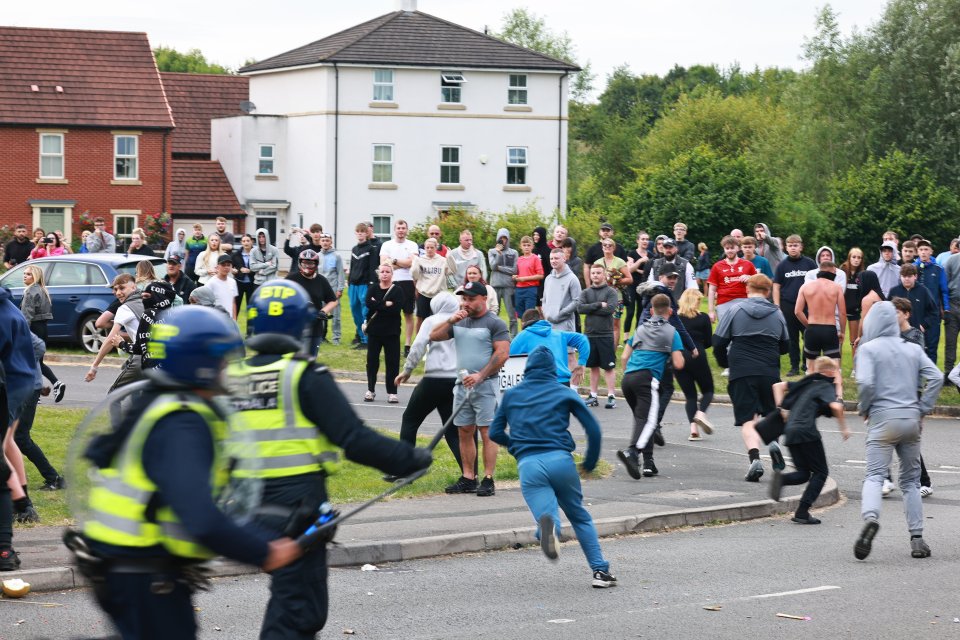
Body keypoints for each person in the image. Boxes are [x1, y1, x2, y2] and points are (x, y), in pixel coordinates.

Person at [74, 305, 304, 639]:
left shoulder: (162, 402)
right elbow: (200, 517)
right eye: (224, 358)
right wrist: (266, 552)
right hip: (144, 573)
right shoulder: (182, 422)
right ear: (202, 362)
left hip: (129, 566)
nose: (230, 368)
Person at [225, 281, 432, 638]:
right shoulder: (302, 374)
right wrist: (409, 458)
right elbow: (353, 438)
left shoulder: (233, 377)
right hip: (295, 509)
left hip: (245, 507)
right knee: (298, 614)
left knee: (293, 606)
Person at [488, 345, 617, 589]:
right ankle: (600, 571)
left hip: (529, 465)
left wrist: (515, 446)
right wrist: (589, 462)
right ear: (552, 369)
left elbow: (495, 432)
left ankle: (549, 530)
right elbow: (593, 429)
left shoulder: (512, 395)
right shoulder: (564, 392)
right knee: (579, 515)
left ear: (528, 368)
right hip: (561, 461)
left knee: (547, 516)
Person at [853, 301, 942, 561]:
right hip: (911, 419)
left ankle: (871, 518)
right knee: (912, 482)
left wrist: (864, 408)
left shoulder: (868, 349)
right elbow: (936, 376)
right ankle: (917, 539)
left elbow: (867, 382)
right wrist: (923, 407)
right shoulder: (912, 348)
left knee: (874, 476)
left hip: (882, 419)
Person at [430, 281, 510, 497]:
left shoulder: (495, 323)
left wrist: (481, 375)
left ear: (483, 299)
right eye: (464, 298)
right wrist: (450, 320)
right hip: (462, 384)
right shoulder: (459, 321)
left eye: (471, 299)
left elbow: (502, 354)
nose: (466, 303)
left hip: (486, 385)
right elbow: (434, 336)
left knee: (487, 431)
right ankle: (468, 477)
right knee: (464, 430)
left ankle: (488, 478)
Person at [713, 274, 789, 482]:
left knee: (747, 418)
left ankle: (754, 458)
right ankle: (772, 441)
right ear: (767, 291)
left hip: (742, 369)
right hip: (768, 370)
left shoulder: (735, 310)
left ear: (748, 290)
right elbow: (785, 346)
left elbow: (719, 341)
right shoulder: (777, 313)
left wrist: (725, 362)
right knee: (769, 412)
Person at [769, 356, 851, 523]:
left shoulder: (805, 383)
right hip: (807, 432)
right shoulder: (824, 385)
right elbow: (836, 406)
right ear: (829, 371)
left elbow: (777, 386)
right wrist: (844, 427)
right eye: (836, 371)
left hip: (790, 432)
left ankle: (782, 480)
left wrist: (781, 409)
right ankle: (802, 511)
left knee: (804, 473)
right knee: (821, 472)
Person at [394, 293, 466, 472]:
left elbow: (418, 346)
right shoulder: (462, 321)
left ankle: (406, 468)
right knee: (451, 430)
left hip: (434, 377)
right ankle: (469, 473)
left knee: (410, 419)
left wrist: (407, 370)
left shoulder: (431, 321)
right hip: (455, 378)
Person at [617, 293, 685, 479]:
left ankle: (648, 462)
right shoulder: (671, 332)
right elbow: (679, 363)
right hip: (647, 379)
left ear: (652, 310)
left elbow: (624, 357)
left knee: (643, 419)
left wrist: (629, 371)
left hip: (628, 379)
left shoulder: (640, 329)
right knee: (649, 421)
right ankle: (632, 452)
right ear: (670, 311)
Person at [0, 285, 37, 570]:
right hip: (21, 380)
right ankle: (22, 502)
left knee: (3, 447)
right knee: (8, 440)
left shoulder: (4, 315)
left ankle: (20, 503)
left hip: (12, 384)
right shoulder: (8, 307)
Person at [15, 333, 64, 491]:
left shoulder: (11, 318)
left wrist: (24, 370)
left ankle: (54, 478)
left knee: (20, 437)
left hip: (26, 389)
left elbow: (39, 346)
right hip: (14, 388)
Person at [84, 274, 144, 392]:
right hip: (158, 355)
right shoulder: (145, 300)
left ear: (133, 287)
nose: (118, 293)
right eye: (115, 289)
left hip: (142, 357)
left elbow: (110, 340)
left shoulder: (125, 308)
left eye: (122, 288)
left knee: (114, 395)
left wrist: (94, 367)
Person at [794, 261, 846, 396]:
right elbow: (842, 313)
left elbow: (797, 311)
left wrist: (809, 325)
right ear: (832, 272)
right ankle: (838, 396)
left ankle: (809, 395)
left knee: (811, 368)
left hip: (812, 329)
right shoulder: (836, 287)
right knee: (834, 367)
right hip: (830, 329)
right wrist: (842, 332)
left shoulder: (806, 287)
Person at [773, 235, 818, 377]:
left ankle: (806, 364)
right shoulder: (782, 265)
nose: (793, 248)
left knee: (808, 336)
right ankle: (794, 367)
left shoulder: (810, 264)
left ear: (801, 246)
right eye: (790, 245)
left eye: (796, 245)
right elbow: (776, 287)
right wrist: (777, 306)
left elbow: (818, 283)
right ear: (786, 247)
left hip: (807, 306)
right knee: (792, 338)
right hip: (788, 305)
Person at [19, 265, 65, 402]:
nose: (25, 276)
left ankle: (36, 393)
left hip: (32, 328)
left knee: (30, 362)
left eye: (28, 274)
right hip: (43, 328)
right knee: (37, 361)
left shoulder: (30, 292)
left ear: (36, 276)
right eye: (24, 273)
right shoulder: (43, 290)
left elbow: (26, 316)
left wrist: (21, 334)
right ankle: (55, 384)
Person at [510, 309, 589, 388]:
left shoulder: (522, 337)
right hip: (562, 383)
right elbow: (582, 339)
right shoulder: (559, 334)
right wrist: (582, 364)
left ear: (523, 324)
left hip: (538, 384)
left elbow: (509, 360)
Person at [676, 289, 714, 441]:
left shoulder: (675, 318)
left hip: (678, 357)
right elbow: (709, 342)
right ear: (694, 301)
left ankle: (693, 430)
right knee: (708, 390)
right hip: (697, 355)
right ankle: (701, 414)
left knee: (690, 396)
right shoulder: (703, 318)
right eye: (699, 300)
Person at [579, 264, 619, 408]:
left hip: (605, 334)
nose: (595, 275)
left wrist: (591, 308)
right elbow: (580, 308)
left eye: (598, 273)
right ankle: (593, 396)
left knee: (608, 367)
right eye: (593, 273)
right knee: (593, 366)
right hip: (590, 334)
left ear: (604, 275)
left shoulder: (611, 292)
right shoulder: (586, 292)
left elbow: (610, 309)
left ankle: (611, 396)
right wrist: (598, 305)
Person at [379, 220, 420, 356]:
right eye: (398, 228)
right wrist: (403, 263)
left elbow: (412, 263)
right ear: (394, 230)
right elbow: (384, 264)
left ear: (407, 230)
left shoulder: (412, 245)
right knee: (390, 312)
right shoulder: (387, 245)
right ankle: (391, 340)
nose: (401, 230)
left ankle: (407, 345)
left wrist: (394, 261)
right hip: (392, 282)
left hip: (408, 282)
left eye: (403, 228)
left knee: (408, 314)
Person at [365, 264, 405, 403]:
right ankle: (370, 389)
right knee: (372, 361)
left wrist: (378, 304)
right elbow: (368, 303)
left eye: (387, 271)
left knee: (392, 362)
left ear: (392, 274)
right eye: (382, 272)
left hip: (392, 332)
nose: (385, 274)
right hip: (374, 331)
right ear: (378, 274)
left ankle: (392, 392)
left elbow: (396, 309)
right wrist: (385, 304)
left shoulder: (397, 290)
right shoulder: (373, 288)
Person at [287, 249, 338, 355]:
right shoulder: (291, 279)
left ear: (316, 264)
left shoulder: (321, 280)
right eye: (304, 262)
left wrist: (323, 311)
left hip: (315, 326)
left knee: (311, 358)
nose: (307, 266)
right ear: (300, 263)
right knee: (294, 359)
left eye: (310, 263)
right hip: (295, 326)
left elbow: (333, 301)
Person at [117, 280, 176, 371]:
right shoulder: (175, 315)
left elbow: (139, 348)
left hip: (153, 372)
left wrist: (121, 344)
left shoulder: (149, 314)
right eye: (143, 297)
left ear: (159, 296)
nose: (143, 300)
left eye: (147, 296)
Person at [888, 264, 938, 362]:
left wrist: (924, 325)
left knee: (915, 360)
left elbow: (934, 311)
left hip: (916, 334)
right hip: (897, 333)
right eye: (904, 276)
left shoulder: (924, 291)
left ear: (915, 276)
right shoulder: (894, 291)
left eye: (909, 276)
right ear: (900, 276)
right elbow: (888, 311)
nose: (906, 279)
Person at [915, 239, 948, 364]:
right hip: (917, 312)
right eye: (921, 250)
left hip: (933, 313)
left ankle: (932, 378)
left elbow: (943, 290)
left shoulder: (938, 269)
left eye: (926, 249)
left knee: (932, 345)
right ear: (917, 251)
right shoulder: (913, 268)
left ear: (931, 251)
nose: (923, 252)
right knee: (916, 345)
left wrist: (946, 308)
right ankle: (916, 377)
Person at [595, 238, 632, 346]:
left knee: (615, 325)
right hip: (600, 297)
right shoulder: (597, 262)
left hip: (616, 297)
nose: (607, 247)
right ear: (602, 247)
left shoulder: (619, 262)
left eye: (610, 245)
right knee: (601, 324)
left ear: (614, 248)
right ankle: (602, 349)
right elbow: (593, 278)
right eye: (605, 245)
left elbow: (629, 279)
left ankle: (612, 352)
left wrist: (616, 280)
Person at [349, 222, 380, 349]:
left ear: (367, 233)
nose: (360, 233)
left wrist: (371, 285)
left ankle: (367, 340)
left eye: (363, 231)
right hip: (353, 285)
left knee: (365, 312)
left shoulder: (371, 249)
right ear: (356, 233)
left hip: (365, 285)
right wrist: (350, 281)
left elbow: (373, 268)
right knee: (355, 312)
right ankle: (361, 337)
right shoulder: (354, 249)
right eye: (358, 231)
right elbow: (352, 267)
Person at [412, 238, 454, 331]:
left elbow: (452, 271)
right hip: (424, 294)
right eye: (427, 247)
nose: (429, 249)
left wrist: (450, 258)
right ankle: (420, 340)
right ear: (425, 248)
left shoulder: (442, 260)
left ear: (436, 248)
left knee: (438, 319)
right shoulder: (420, 260)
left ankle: (436, 340)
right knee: (422, 319)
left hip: (438, 295)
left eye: (432, 247)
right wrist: (415, 263)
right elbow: (415, 275)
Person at [315, 233, 345, 345]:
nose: (325, 242)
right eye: (323, 240)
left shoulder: (336, 256)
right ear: (320, 242)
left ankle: (336, 338)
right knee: (321, 314)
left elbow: (340, 273)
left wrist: (340, 289)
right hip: (321, 290)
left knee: (336, 316)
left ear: (331, 242)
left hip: (333, 289)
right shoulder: (317, 256)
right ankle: (320, 336)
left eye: (327, 240)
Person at [542, 248, 582, 332]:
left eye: (556, 258)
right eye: (551, 258)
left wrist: (560, 314)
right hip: (549, 324)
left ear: (564, 259)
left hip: (565, 325)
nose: (553, 261)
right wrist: (546, 314)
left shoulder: (572, 278)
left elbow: (577, 301)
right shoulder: (548, 279)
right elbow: (544, 300)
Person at [488, 228, 518, 336]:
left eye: (505, 238)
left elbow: (514, 270)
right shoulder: (492, 251)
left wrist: (499, 268)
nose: (503, 240)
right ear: (497, 238)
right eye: (501, 238)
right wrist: (498, 254)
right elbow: (492, 266)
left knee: (512, 315)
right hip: (495, 285)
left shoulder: (514, 252)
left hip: (508, 286)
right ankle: (494, 336)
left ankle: (514, 337)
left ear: (508, 239)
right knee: (494, 313)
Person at [624, 231, 654, 333]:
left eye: (647, 239)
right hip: (632, 286)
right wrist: (640, 261)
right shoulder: (631, 253)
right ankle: (626, 336)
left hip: (644, 287)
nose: (645, 241)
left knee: (641, 312)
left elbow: (650, 271)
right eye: (643, 239)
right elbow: (629, 270)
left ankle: (638, 334)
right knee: (630, 312)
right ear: (638, 241)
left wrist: (639, 270)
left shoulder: (651, 255)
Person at [840, 248, 866, 361]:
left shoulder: (863, 274)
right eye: (854, 257)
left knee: (854, 340)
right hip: (841, 311)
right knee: (839, 339)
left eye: (859, 257)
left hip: (855, 312)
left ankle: (855, 367)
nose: (856, 260)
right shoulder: (842, 271)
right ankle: (837, 367)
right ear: (849, 258)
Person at [513, 235, 544, 320]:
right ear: (520, 246)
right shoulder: (519, 259)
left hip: (530, 289)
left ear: (532, 246)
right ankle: (523, 332)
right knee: (520, 315)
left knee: (529, 315)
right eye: (524, 245)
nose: (526, 247)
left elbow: (541, 275)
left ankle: (530, 332)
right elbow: (519, 273)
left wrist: (525, 279)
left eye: (528, 245)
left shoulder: (535, 258)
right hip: (519, 289)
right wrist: (516, 276)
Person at [204, 255, 239, 320]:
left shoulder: (233, 282)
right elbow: (205, 303)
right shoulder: (211, 283)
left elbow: (233, 302)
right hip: (216, 319)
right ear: (217, 267)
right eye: (223, 265)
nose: (226, 267)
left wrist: (234, 319)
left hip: (229, 319)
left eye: (228, 265)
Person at [231, 234, 257, 313]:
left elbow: (260, 267)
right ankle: (234, 324)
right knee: (236, 306)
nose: (246, 243)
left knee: (251, 307)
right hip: (239, 283)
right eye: (244, 241)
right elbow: (231, 266)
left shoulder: (256, 254)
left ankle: (250, 325)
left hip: (252, 283)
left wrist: (250, 270)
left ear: (252, 242)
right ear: (241, 242)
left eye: (248, 241)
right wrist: (233, 270)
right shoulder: (236, 254)